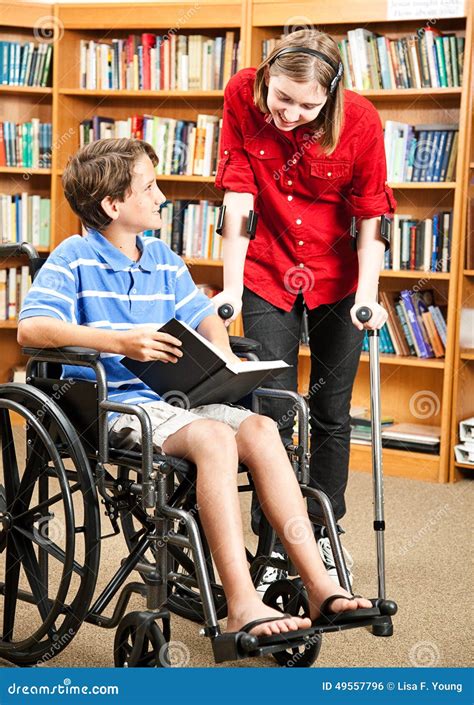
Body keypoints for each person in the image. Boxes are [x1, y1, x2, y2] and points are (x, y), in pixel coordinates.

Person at [17, 137, 373, 638]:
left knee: (261, 427)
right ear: (113, 205)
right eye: (150, 187)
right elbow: (30, 331)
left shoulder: (163, 258)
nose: (162, 196)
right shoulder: (74, 257)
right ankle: (242, 604)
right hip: (113, 406)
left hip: (173, 402)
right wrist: (119, 341)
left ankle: (319, 586)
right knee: (215, 438)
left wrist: (222, 353)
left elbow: (203, 315)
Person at [213, 29, 397, 586]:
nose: (290, 114)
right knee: (272, 412)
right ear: (267, 77)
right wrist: (228, 287)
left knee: (332, 411)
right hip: (267, 267)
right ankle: (273, 548)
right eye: (282, 98)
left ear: (332, 95)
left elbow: (371, 213)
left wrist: (367, 295)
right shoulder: (242, 95)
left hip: (338, 275)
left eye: (307, 105)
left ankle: (322, 529)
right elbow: (239, 193)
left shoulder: (361, 120)